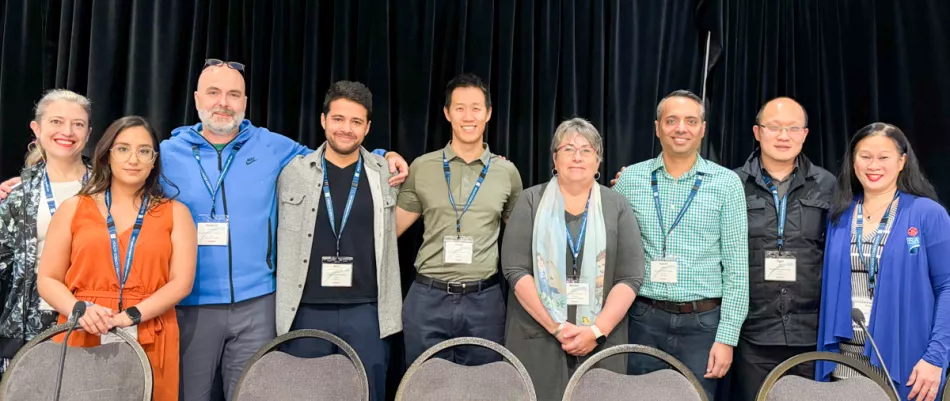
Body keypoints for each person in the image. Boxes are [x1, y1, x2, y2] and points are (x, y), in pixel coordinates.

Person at [153, 59, 407, 401]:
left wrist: (383, 155)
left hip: (257, 305)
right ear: (197, 98)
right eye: (214, 93)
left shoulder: (273, 148)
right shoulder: (164, 155)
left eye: (233, 94)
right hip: (190, 304)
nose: (223, 102)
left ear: (245, 102)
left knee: (253, 394)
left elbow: (335, 156)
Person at [36, 115, 197, 401]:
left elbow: (181, 283)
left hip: (150, 330)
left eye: (144, 151)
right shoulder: (72, 208)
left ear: (154, 160)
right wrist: (80, 309)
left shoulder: (177, 213)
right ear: (107, 155)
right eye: (123, 148)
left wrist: (131, 316)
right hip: (84, 327)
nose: (133, 158)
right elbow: (48, 279)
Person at [612, 89, 748, 398]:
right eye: (671, 120)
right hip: (643, 319)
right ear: (657, 127)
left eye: (690, 121)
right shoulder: (630, 179)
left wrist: (726, 338)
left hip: (703, 325)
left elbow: (737, 269)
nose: (680, 128)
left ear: (703, 128)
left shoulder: (726, 183)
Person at [501, 118, 644, 400]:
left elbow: (630, 277)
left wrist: (595, 331)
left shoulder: (617, 205)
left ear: (598, 161)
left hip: (601, 341)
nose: (577, 157)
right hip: (537, 335)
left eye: (586, 150)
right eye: (568, 149)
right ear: (555, 158)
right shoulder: (530, 201)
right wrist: (555, 326)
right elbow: (515, 269)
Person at [275, 81, 400, 401]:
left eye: (356, 122)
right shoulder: (292, 172)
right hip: (305, 311)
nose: (346, 129)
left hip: (367, 313)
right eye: (339, 119)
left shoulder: (386, 174)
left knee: (368, 394)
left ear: (368, 127)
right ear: (323, 120)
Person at [396, 73, 523, 366]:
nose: (469, 116)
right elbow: (390, 232)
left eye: (476, 108)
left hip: (484, 301)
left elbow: (520, 237)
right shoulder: (422, 167)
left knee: (483, 388)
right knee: (423, 386)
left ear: (488, 114)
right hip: (428, 298)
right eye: (460, 108)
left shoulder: (506, 173)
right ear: (447, 113)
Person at [817, 122, 950, 401]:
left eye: (883, 157)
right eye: (865, 156)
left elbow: (948, 287)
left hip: (908, 364)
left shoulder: (927, 214)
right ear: (853, 162)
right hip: (845, 364)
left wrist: (937, 357)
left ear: (902, 161)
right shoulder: (840, 216)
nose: (873, 165)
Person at [729, 97, 835, 401]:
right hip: (753, 333)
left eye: (792, 128)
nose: (783, 136)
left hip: (810, 332)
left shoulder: (827, 184)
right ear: (757, 132)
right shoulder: (732, 183)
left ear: (805, 134)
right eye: (774, 127)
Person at [0, 89, 93, 376]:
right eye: (56, 121)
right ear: (37, 129)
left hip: (93, 320)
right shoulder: (18, 195)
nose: (67, 131)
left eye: (77, 124)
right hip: (29, 325)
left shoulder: (109, 188)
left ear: (88, 133)